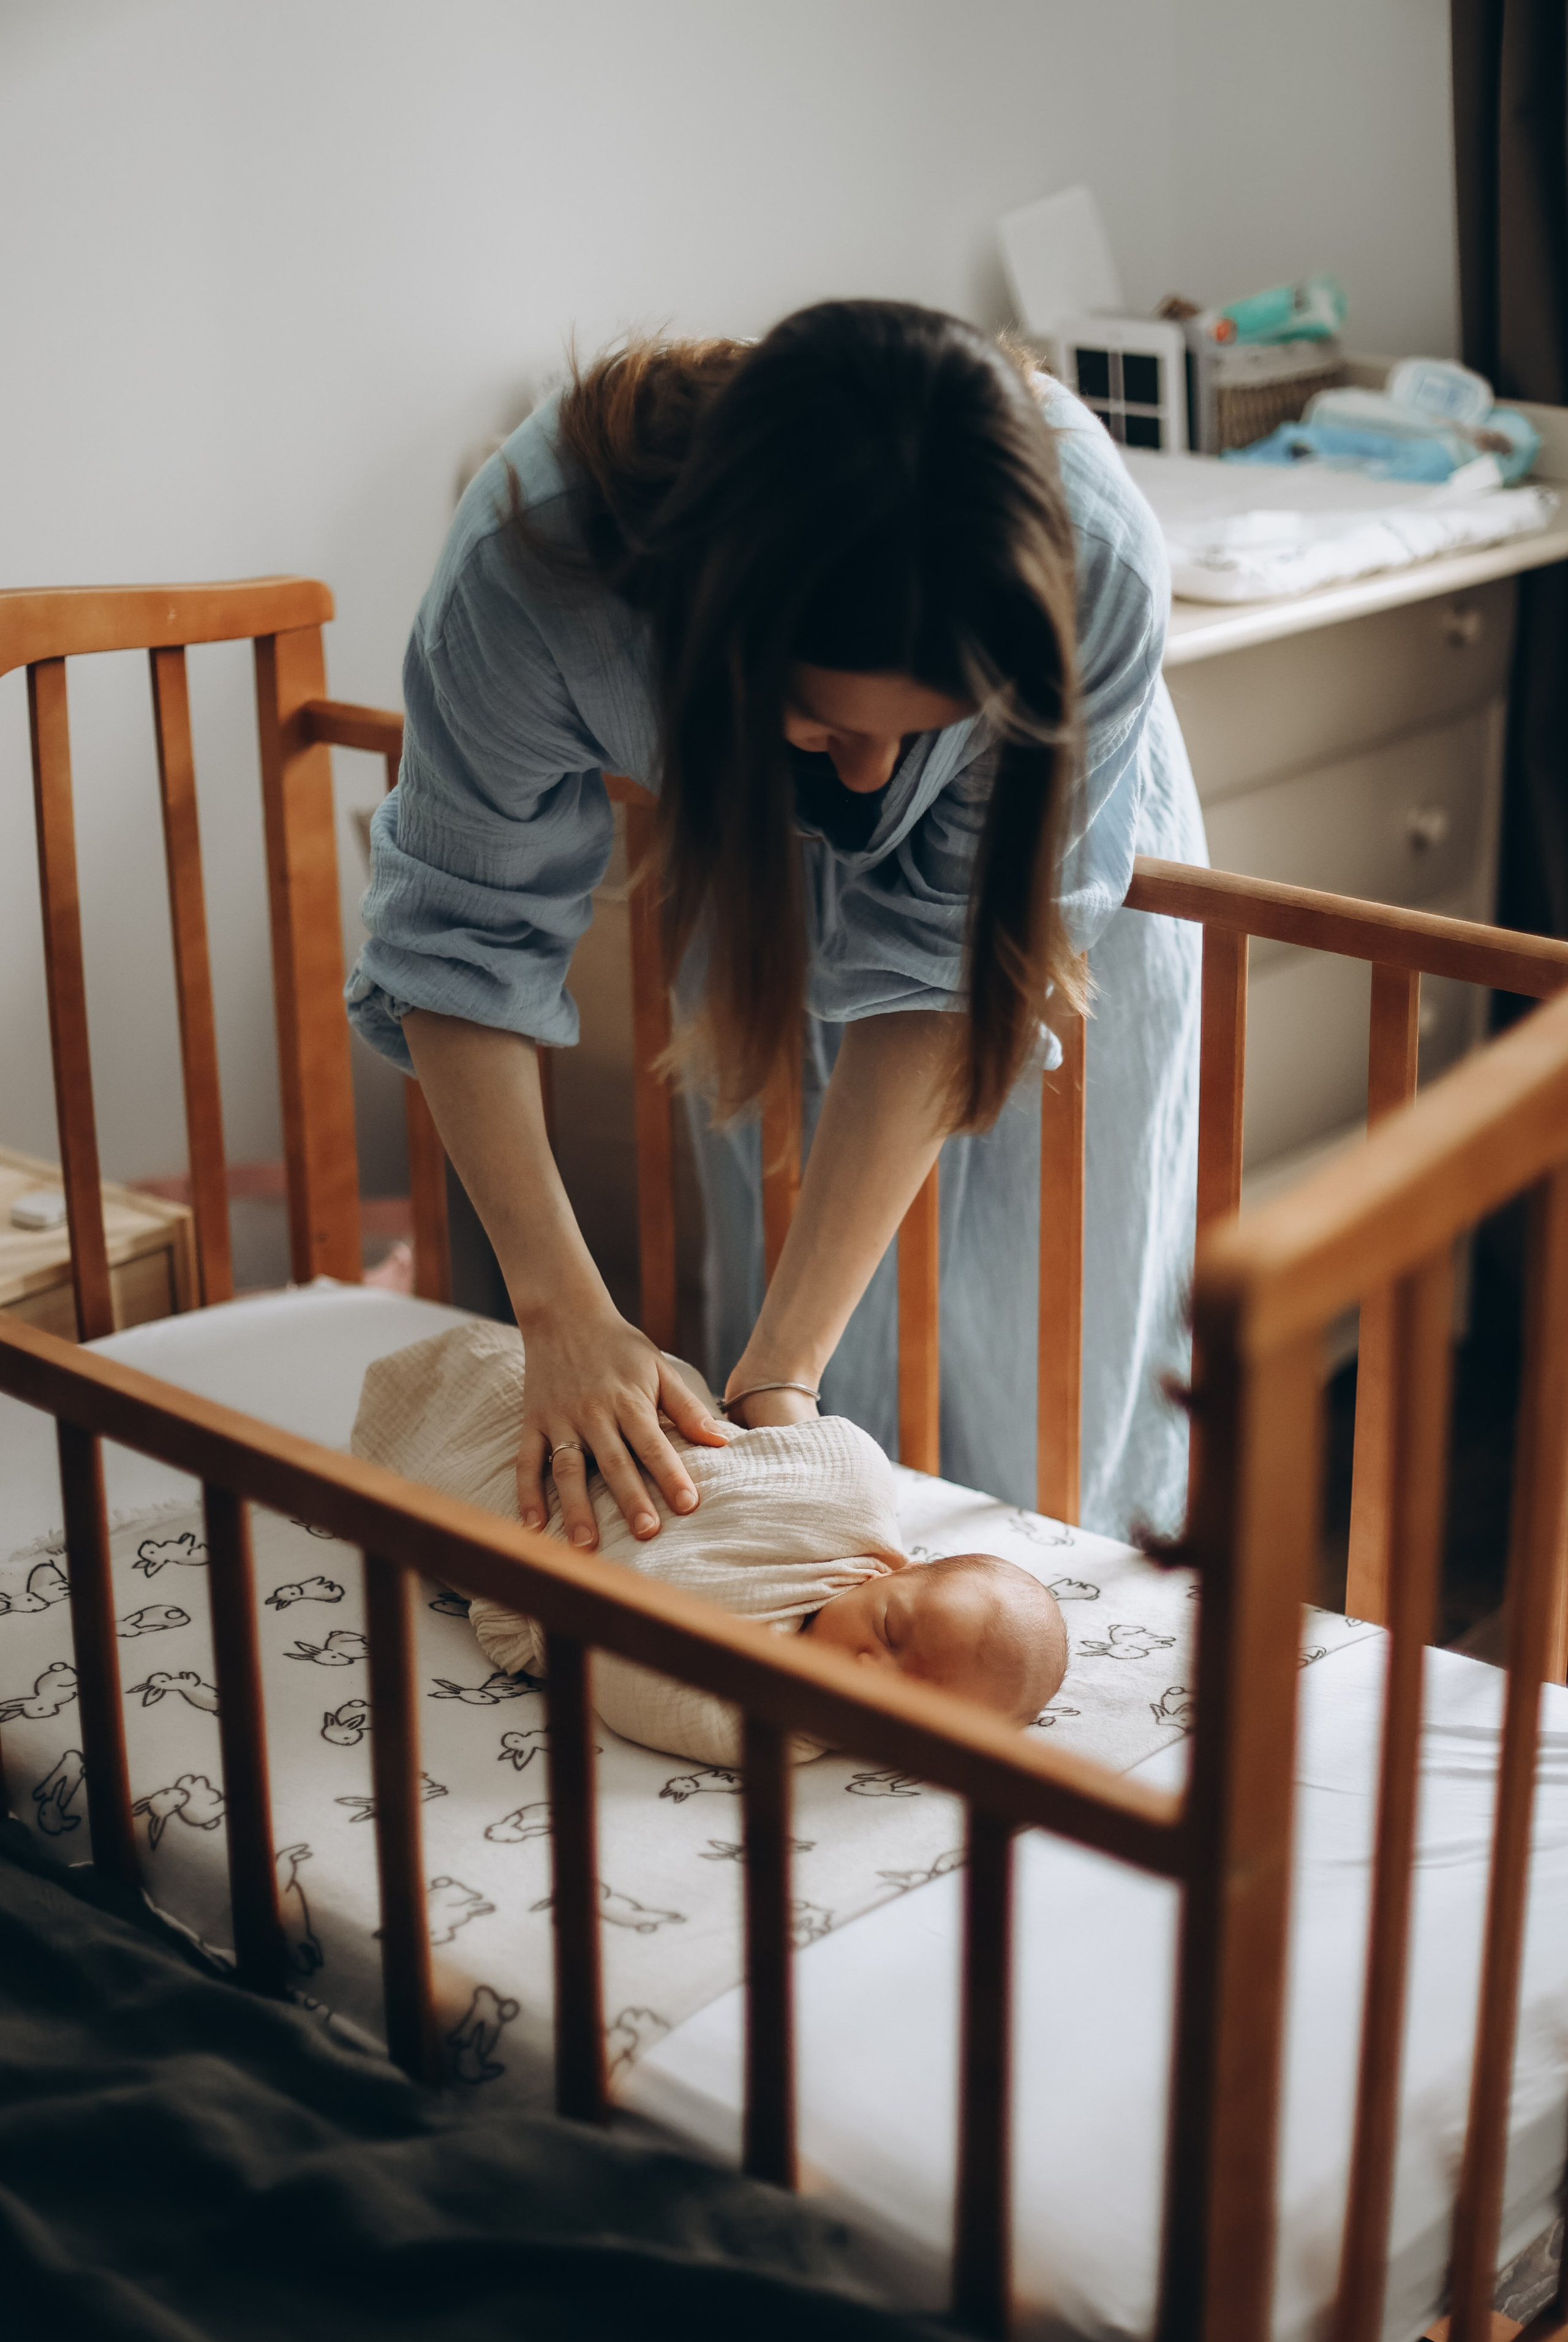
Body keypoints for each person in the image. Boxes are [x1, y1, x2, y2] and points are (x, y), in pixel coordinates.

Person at [347, 300, 1205, 1545]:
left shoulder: (1099, 570)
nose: (868, 781)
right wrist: (562, 1312)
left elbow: (946, 972)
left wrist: (777, 1374)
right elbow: (456, 942)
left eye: (917, 730)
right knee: (796, 1305)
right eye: (824, 727)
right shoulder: (530, 575)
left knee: (1054, 1349)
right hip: (746, 853)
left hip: (1021, 886)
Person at [350, 1319, 1068, 1766]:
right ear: (898, 1568)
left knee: (442, 1508)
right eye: (890, 1630)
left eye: (914, 1709)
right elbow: (832, 1449)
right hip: (587, 1416)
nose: (868, 1671)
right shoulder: (851, 1511)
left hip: (512, 1506)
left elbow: (637, 1687)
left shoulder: (770, 1718)